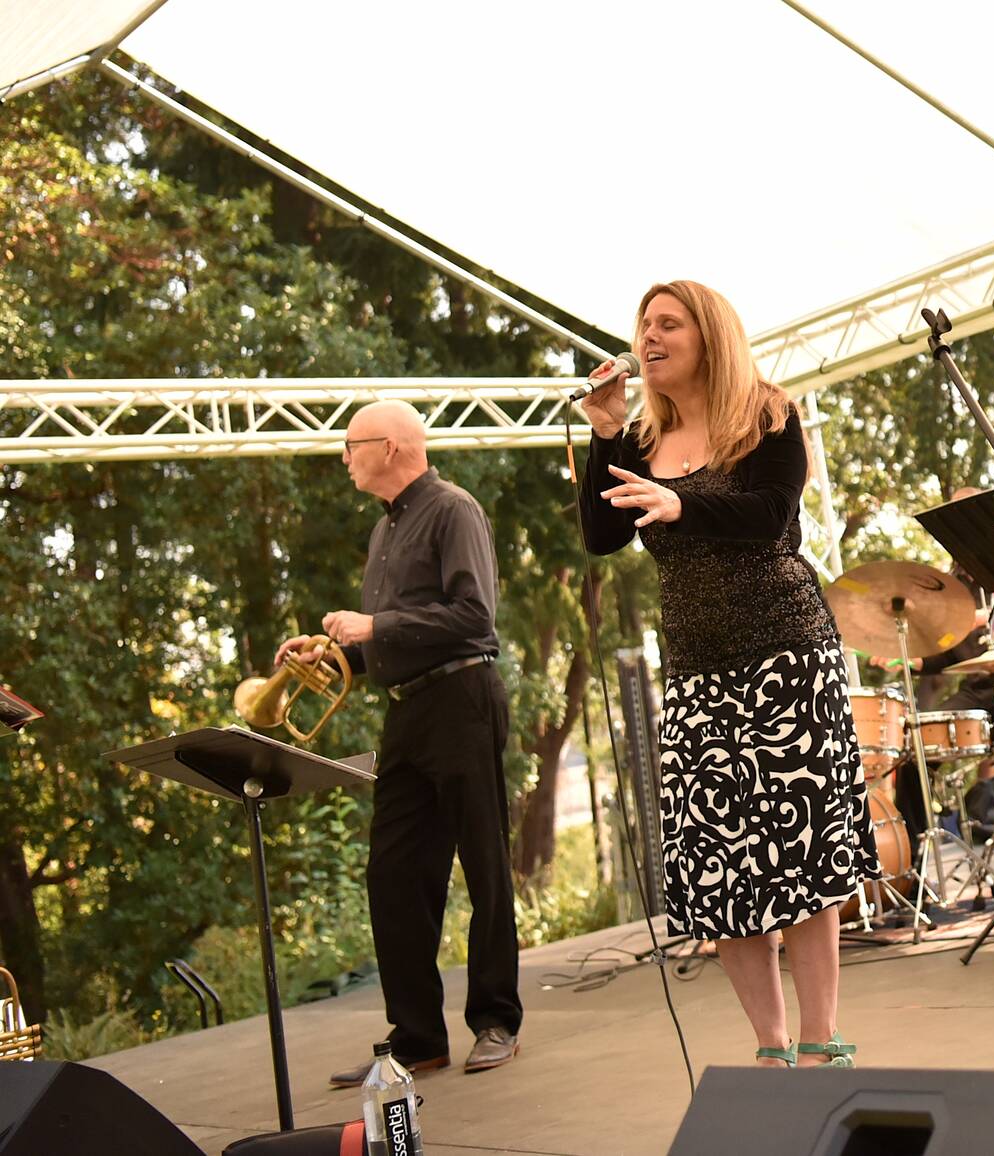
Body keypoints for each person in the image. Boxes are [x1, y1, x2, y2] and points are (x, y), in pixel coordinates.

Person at [578, 279, 878, 1068]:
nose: (649, 337)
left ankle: (821, 1039)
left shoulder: (767, 415)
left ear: (709, 336)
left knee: (801, 851)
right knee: (721, 863)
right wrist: (605, 435)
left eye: (668, 323)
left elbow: (771, 516)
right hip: (697, 672)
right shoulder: (640, 440)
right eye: (644, 325)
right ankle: (771, 1049)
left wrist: (684, 506)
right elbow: (602, 537)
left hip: (787, 657)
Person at [274, 400, 522, 1087]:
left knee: (484, 863)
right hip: (407, 711)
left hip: (462, 699)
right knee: (392, 874)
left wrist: (375, 625)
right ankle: (417, 1039)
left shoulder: (453, 509)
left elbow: (473, 615)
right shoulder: (384, 529)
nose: (344, 457)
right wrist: (334, 657)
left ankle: (496, 1021)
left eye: (350, 444)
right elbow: (392, 637)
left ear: (388, 447)